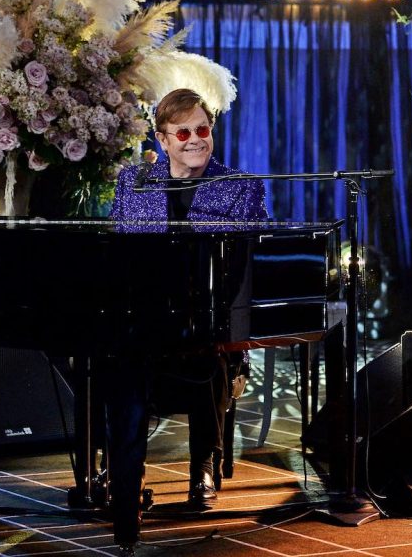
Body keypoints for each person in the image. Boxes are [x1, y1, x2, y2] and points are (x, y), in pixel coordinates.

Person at [107, 88, 267, 553]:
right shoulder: (133, 182)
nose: (196, 140)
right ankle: (125, 481)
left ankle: (202, 465)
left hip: (211, 318)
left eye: (204, 129)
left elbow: (246, 262)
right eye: (184, 132)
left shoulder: (239, 184)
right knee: (116, 362)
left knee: (208, 356)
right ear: (163, 139)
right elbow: (119, 251)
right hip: (144, 317)